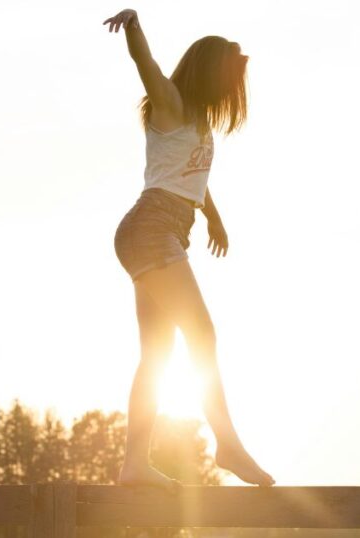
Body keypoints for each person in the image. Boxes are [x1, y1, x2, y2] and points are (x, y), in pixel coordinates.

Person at [102, 8, 275, 491]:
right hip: (151, 227)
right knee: (203, 333)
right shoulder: (171, 102)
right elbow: (146, 65)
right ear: (205, 71)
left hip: (163, 232)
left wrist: (213, 216)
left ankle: (133, 465)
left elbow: (192, 178)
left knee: (156, 354)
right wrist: (134, 26)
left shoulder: (197, 121)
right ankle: (228, 443)